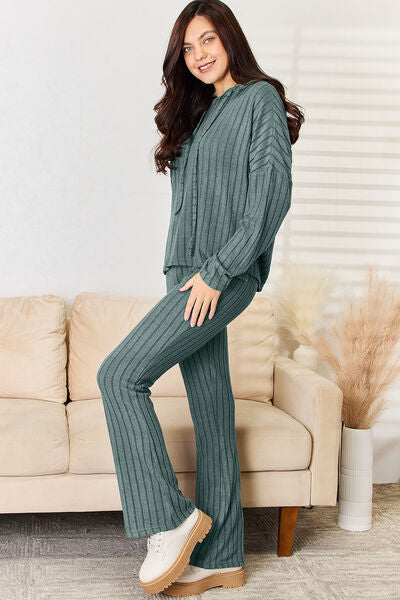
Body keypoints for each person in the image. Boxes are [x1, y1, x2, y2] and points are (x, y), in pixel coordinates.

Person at [96, 0, 304, 596]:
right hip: (184, 276)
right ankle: (222, 558)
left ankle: (169, 517)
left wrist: (219, 272)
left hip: (220, 275)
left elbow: (269, 199)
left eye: (208, 39)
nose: (199, 54)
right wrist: (187, 272)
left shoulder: (260, 100)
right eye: (188, 48)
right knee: (212, 414)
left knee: (118, 375)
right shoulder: (200, 111)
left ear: (230, 38)